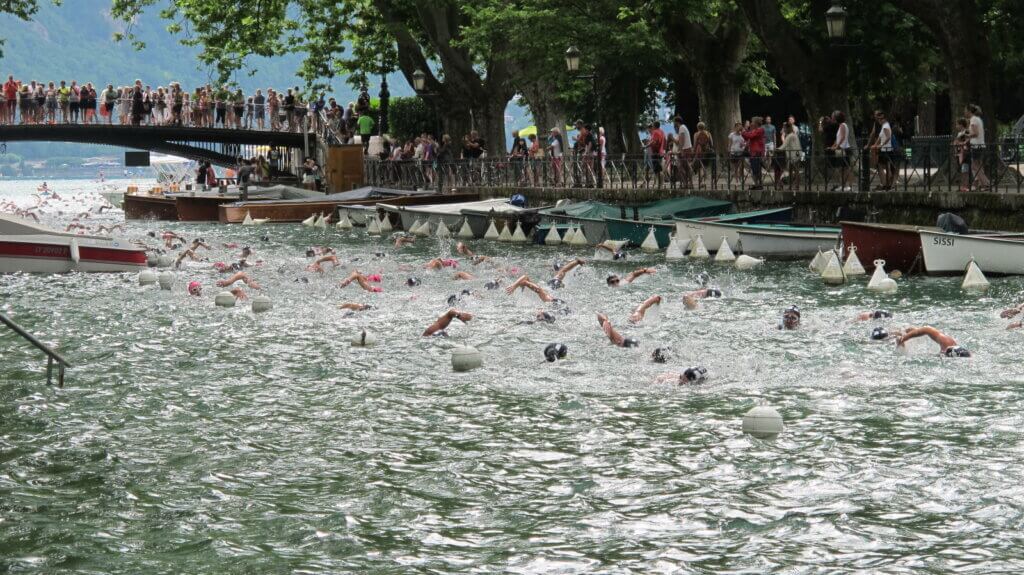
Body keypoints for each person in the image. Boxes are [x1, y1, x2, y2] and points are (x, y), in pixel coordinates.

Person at [896, 326, 971, 357]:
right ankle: (895, 334)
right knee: (910, 330)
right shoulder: (947, 343)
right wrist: (906, 337)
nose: (943, 351)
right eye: (944, 351)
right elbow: (927, 329)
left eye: (944, 352)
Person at [965, 104, 990, 191]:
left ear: (969, 111)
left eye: (965, 110)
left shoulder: (973, 120)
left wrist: (966, 135)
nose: (965, 112)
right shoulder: (978, 119)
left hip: (976, 145)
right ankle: (981, 184)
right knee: (978, 165)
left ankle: (986, 183)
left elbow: (975, 133)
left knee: (975, 166)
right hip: (980, 145)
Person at [829, 111, 853, 191]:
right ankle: (842, 185)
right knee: (841, 168)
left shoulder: (843, 125)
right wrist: (833, 146)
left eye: (833, 117)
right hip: (841, 149)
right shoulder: (841, 126)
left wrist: (837, 147)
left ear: (836, 118)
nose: (832, 119)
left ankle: (848, 186)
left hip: (843, 149)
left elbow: (842, 137)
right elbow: (838, 139)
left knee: (845, 168)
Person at [742, 117, 766, 190]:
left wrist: (743, 131)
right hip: (753, 152)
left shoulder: (760, 130)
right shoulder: (754, 130)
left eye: (752, 122)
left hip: (757, 152)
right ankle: (757, 184)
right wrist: (744, 133)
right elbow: (747, 137)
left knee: (756, 169)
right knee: (755, 169)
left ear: (756, 123)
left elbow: (750, 136)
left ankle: (759, 184)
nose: (751, 123)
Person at [645, 121, 666, 187]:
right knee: (660, 169)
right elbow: (665, 140)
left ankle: (660, 184)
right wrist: (663, 149)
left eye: (652, 126)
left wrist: (645, 146)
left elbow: (653, 142)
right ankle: (661, 183)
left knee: (657, 170)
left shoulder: (655, 132)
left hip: (655, 153)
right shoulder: (662, 131)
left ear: (654, 126)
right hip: (660, 152)